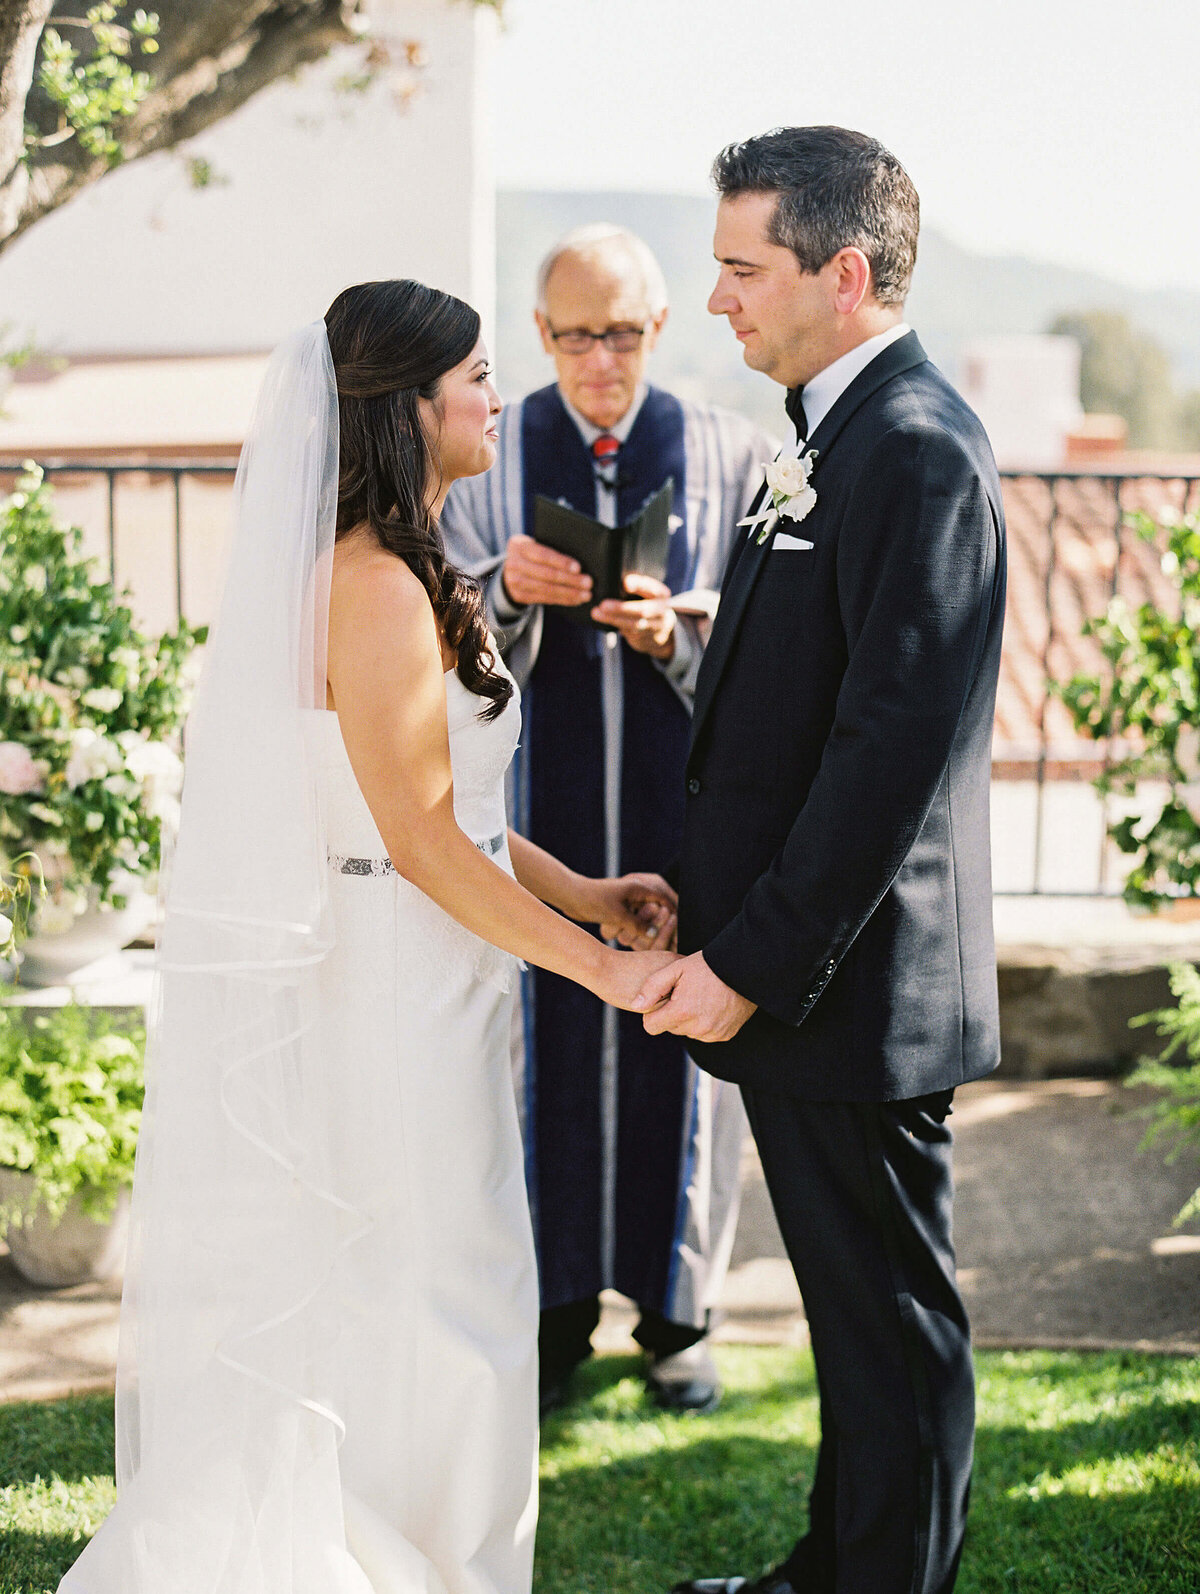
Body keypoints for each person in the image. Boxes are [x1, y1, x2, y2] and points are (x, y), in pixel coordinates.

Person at [58, 279, 679, 1594]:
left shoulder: (404, 566)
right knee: (440, 1294)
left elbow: (455, 813)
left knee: (442, 1284)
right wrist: (602, 969)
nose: (500, 397)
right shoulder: (378, 584)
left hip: (433, 969)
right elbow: (418, 842)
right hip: (398, 988)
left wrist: (587, 891)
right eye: (476, 376)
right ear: (409, 406)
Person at [634, 128, 1007, 1594]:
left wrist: (747, 963)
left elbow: (885, 761)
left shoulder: (914, 450)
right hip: (812, 987)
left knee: (894, 1333)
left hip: (854, 990)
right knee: (855, 1327)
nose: (717, 297)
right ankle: (828, 1570)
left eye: (742, 268)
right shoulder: (830, 431)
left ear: (844, 275)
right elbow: (805, 697)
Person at [441, 225, 775, 1414]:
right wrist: (506, 602)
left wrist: (675, 628)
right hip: (538, 831)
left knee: (685, 1045)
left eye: (621, 334)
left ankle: (680, 1310)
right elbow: (426, 631)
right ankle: (555, 1305)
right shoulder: (484, 452)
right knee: (541, 1049)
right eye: (575, 336)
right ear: (540, 335)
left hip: (691, 824)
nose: (598, 360)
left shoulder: (728, 454)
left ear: (659, 330)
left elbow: (769, 630)